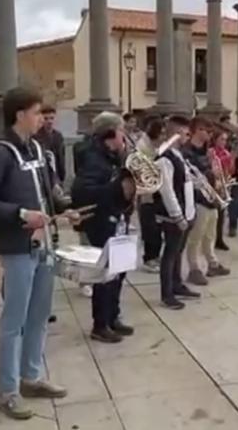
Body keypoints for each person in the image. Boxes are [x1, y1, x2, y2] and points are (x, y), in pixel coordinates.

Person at [0, 87, 78, 419]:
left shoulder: (38, 149)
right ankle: (9, 391)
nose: (41, 119)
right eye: (35, 112)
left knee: (40, 314)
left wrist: (65, 208)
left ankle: (31, 377)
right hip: (17, 247)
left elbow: (49, 194)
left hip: (45, 242)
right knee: (13, 321)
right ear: (19, 115)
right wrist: (20, 214)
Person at [71, 112, 137, 344]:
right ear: (110, 133)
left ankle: (112, 317)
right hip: (101, 222)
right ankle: (100, 325)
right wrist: (121, 188)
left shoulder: (113, 157)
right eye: (122, 132)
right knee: (105, 274)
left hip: (117, 218)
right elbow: (81, 194)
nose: (125, 137)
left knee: (119, 271)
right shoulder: (93, 158)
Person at [153, 115, 198, 310]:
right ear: (176, 133)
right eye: (185, 133)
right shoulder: (164, 157)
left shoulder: (178, 154)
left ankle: (177, 285)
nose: (188, 137)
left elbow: (184, 181)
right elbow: (167, 190)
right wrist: (177, 216)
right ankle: (167, 294)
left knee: (178, 252)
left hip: (185, 212)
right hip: (172, 215)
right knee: (170, 254)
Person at [183, 117, 230, 285]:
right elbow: (195, 175)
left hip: (211, 198)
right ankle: (194, 269)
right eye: (206, 130)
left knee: (210, 234)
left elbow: (212, 172)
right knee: (196, 235)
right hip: (198, 199)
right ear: (196, 130)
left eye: (210, 131)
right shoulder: (187, 151)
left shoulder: (206, 150)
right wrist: (211, 169)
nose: (209, 134)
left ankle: (212, 263)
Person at [136, 115, 165, 274]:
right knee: (150, 228)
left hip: (156, 192)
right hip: (147, 193)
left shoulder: (154, 145)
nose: (163, 137)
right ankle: (149, 258)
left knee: (157, 227)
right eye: (161, 133)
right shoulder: (143, 146)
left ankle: (155, 255)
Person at [211, 129, 234, 251]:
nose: (224, 142)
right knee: (212, 216)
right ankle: (212, 239)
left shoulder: (226, 153)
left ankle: (219, 238)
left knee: (222, 215)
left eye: (225, 140)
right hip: (213, 185)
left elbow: (230, 170)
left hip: (224, 184)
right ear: (215, 140)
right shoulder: (211, 152)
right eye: (221, 139)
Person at [34, 105, 66, 184]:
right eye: (46, 119)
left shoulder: (58, 136)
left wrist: (62, 175)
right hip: (44, 174)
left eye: (52, 118)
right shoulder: (36, 136)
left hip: (57, 173)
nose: (49, 121)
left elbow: (61, 156)